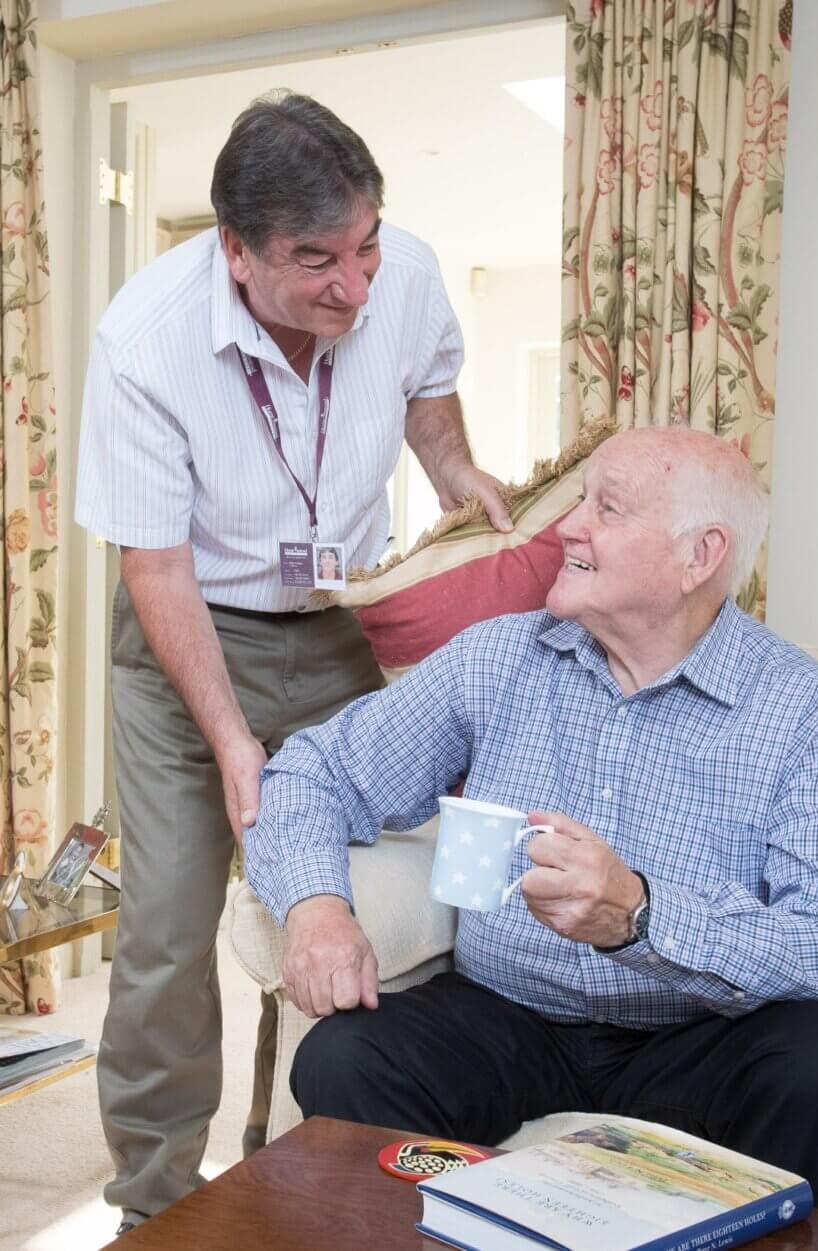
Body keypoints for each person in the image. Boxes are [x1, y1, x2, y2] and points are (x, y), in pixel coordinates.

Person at [246, 427, 818, 1221]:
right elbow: (311, 771)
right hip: (510, 1015)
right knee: (347, 1058)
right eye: (579, 503)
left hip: (704, 1032)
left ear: (698, 555)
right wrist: (315, 904)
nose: (568, 527)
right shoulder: (498, 659)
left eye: (608, 508)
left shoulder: (807, 713)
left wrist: (644, 915)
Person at [74, 91, 511, 1235]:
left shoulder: (400, 276)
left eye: (365, 247)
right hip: (189, 636)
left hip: (339, 623)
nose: (354, 287)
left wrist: (461, 483)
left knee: (360, 893)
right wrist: (228, 740)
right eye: (317, 260)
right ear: (235, 249)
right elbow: (156, 570)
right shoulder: (146, 341)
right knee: (168, 930)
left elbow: (429, 408)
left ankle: (327, 1163)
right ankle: (155, 1201)